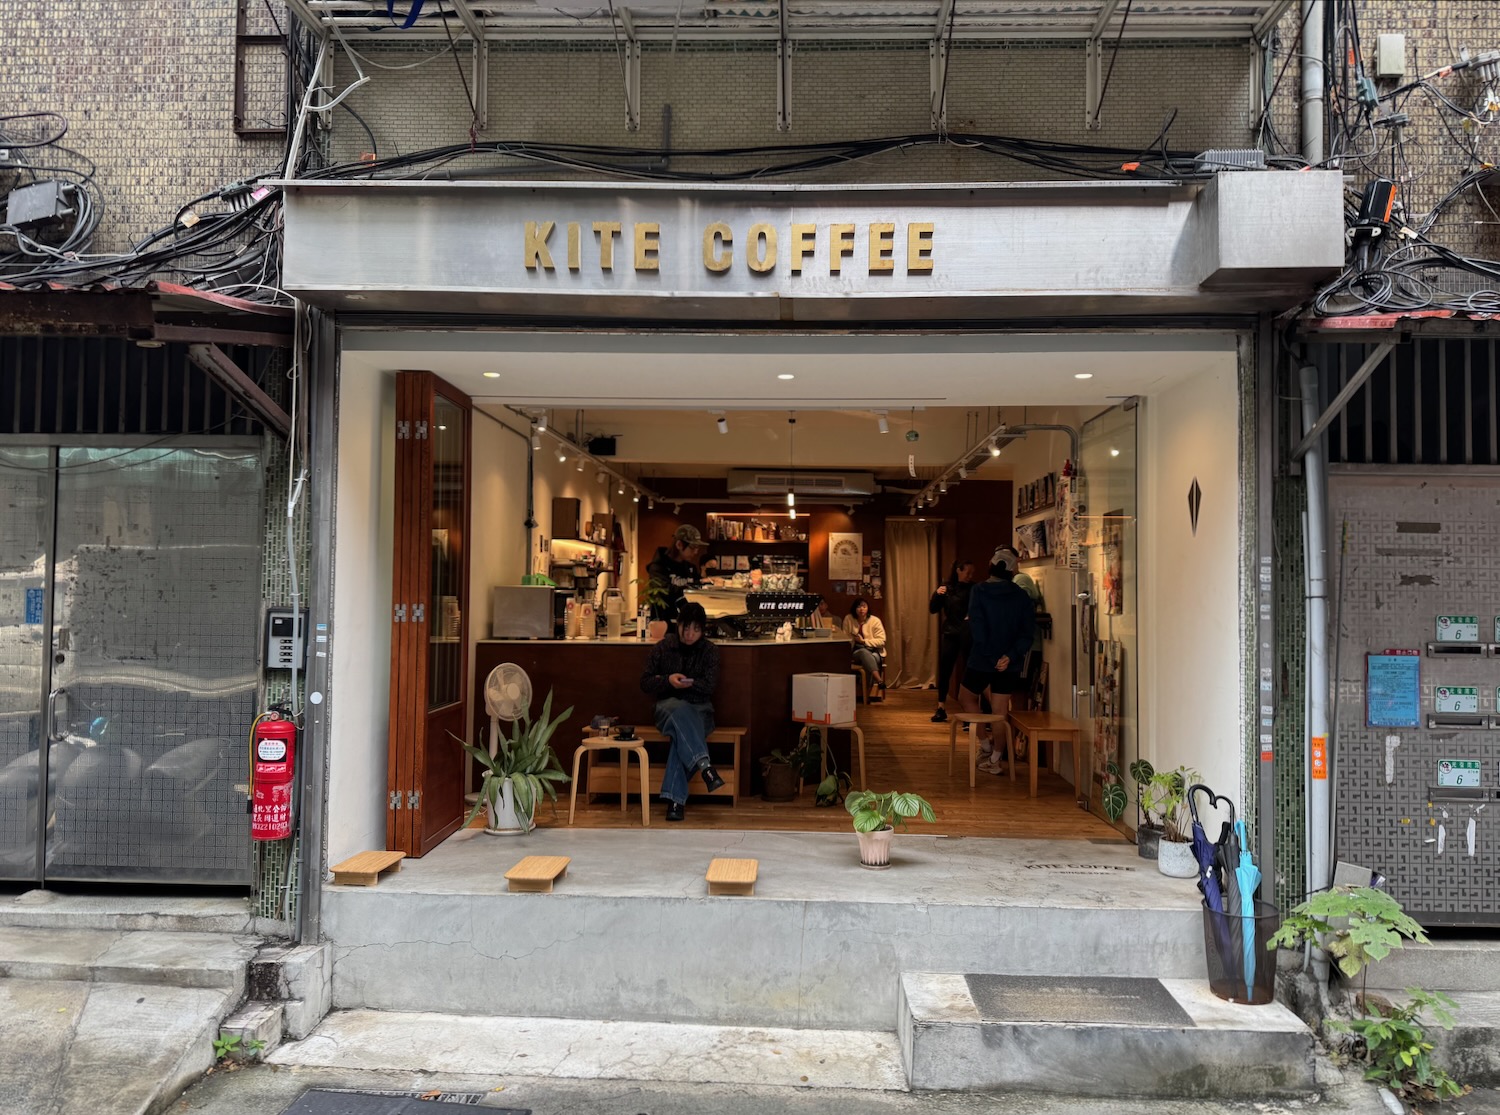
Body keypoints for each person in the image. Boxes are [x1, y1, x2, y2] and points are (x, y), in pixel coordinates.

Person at [640, 601, 723, 822]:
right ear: (678, 626)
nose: (689, 634)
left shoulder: (710, 651)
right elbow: (645, 682)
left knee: (681, 738)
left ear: (702, 630)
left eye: (695, 629)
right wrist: (668, 680)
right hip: (667, 708)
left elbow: (709, 686)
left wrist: (688, 683)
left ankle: (676, 801)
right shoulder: (662, 647)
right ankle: (705, 768)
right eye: (685, 627)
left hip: (701, 711)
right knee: (680, 711)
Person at [960, 547, 1036, 774]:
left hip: (982, 658)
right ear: (1012, 571)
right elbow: (1027, 634)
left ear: (991, 566)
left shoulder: (979, 590)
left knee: (966, 698)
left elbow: (978, 627)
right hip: (1009, 662)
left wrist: (993, 657)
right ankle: (995, 759)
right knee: (1000, 710)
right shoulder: (1021, 595)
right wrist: (1009, 657)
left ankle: (984, 745)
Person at [928, 559, 976, 723]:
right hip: (950, 633)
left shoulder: (975, 589)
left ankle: (971, 712)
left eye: (972, 573)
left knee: (970, 670)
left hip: (969, 633)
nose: (970, 576)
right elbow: (933, 608)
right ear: (958, 570)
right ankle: (941, 707)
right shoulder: (947, 588)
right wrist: (937, 593)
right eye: (967, 572)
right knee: (945, 669)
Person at [646, 524, 707, 625]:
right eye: (693, 548)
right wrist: (691, 588)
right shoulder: (658, 567)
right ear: (679, 545)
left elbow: (697, 586)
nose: (696, 552)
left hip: (687, 623)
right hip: (663, 624)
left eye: (698, 548)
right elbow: (664, 591)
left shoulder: (690, 568)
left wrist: (704, 582)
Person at [842, 597, 887, 700]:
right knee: (863, 652)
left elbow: (882, 641)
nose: (861, 609)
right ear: (854, 608)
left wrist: (864, 641)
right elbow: (845, 638)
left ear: (867, 608)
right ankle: (879, 681)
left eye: (864, 606)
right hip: (855, 651)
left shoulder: (875, 620)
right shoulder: (848, 619)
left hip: (874, 650)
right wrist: (854, 640)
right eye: (859, 606)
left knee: (872, 657)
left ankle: (865, 694)